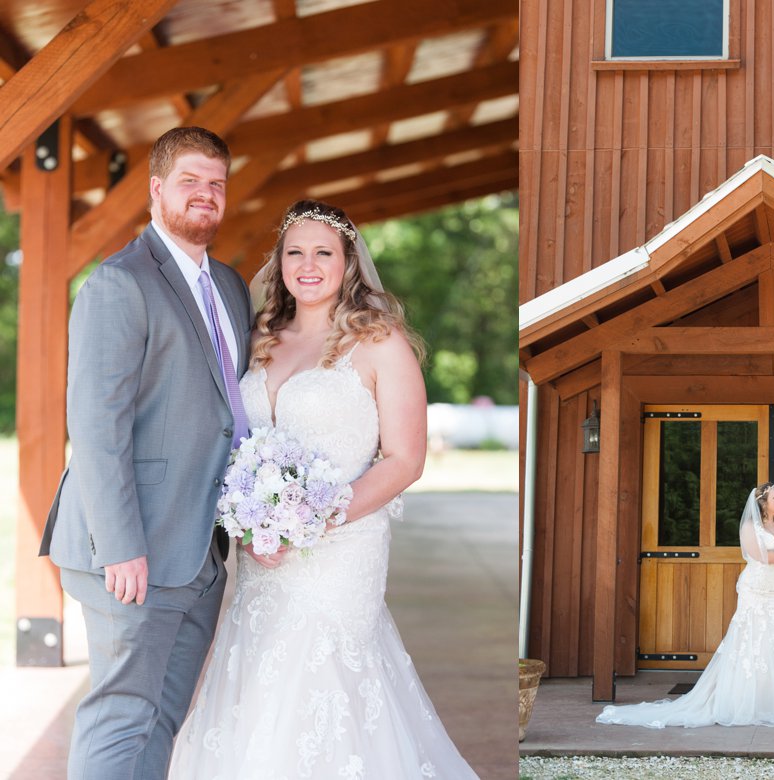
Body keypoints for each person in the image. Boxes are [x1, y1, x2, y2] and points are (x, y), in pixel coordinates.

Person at [168, 199, 478, 778]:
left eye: (323, 253)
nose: (308, 265)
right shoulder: (259, 336)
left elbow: (405, 459)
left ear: (348, 261)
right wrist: (252, 521)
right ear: (280, 261)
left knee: (324, 687)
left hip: (342, 551)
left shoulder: (381, 343)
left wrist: (312, 520)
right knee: (257, 684)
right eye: (295, 252)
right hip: (262, 559)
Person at [39, 126, 252, 778]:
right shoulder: (119, 283)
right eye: (190, 181)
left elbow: (224, 410)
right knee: (122, 714)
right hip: (131, 551)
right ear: (157, 190)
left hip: (198, 550)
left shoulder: (231, 285)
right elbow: (97, 428)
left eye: (216, 184)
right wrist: (120, 544)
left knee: (164, 716)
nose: (205, 195)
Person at [597, 482, 774, 729]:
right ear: (763, 502)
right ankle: (745, 702)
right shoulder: (750, 527)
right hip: (757, 590)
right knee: (752, 641)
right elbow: (765, 557)